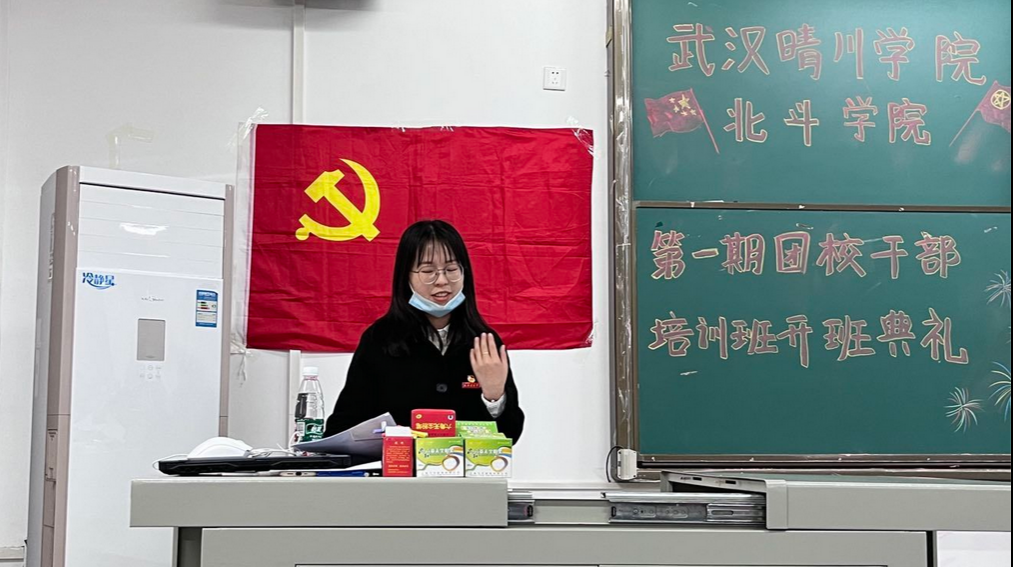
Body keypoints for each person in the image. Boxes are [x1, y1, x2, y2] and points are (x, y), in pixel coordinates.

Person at [324, 220, 524, 442]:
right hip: (399, 464)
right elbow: (342, 428)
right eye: (428, 271)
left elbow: (509, 436)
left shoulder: (484, 342)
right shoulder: (381, 339)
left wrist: (495, 397)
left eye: (451, 269)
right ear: (406, 276)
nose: (442, 281)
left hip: (462, 464)